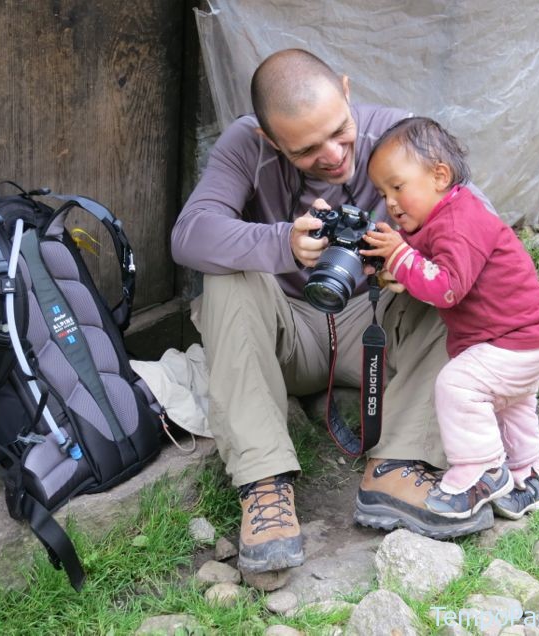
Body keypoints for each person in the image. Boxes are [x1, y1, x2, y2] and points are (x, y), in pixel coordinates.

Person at [171, 49, 493, 574]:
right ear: (270, 139)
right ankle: (265, 484)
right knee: (223, 274)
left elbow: (481, 227)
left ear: (347, 90)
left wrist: (410, 260)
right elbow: (188, 235)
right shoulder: (244, 147)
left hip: (375, 322)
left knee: (459, 287)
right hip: (285, 334)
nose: (334, 154)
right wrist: (282, 244)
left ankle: (397, 465)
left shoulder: (399, 136)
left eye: (340, 131)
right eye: (306, 149)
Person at [360, 116, 539, 521]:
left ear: (439, 175)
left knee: (457, 385)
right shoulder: (444, 217)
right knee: (511, 405)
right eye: (383, 193)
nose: (391, 203)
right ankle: (526, 479)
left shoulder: (460, 222)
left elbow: (447, 287)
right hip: (530, 337)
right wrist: (394, 266)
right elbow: (424, 262)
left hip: (514, 341)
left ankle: (481, 472)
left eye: (397, 187)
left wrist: (400, 257)